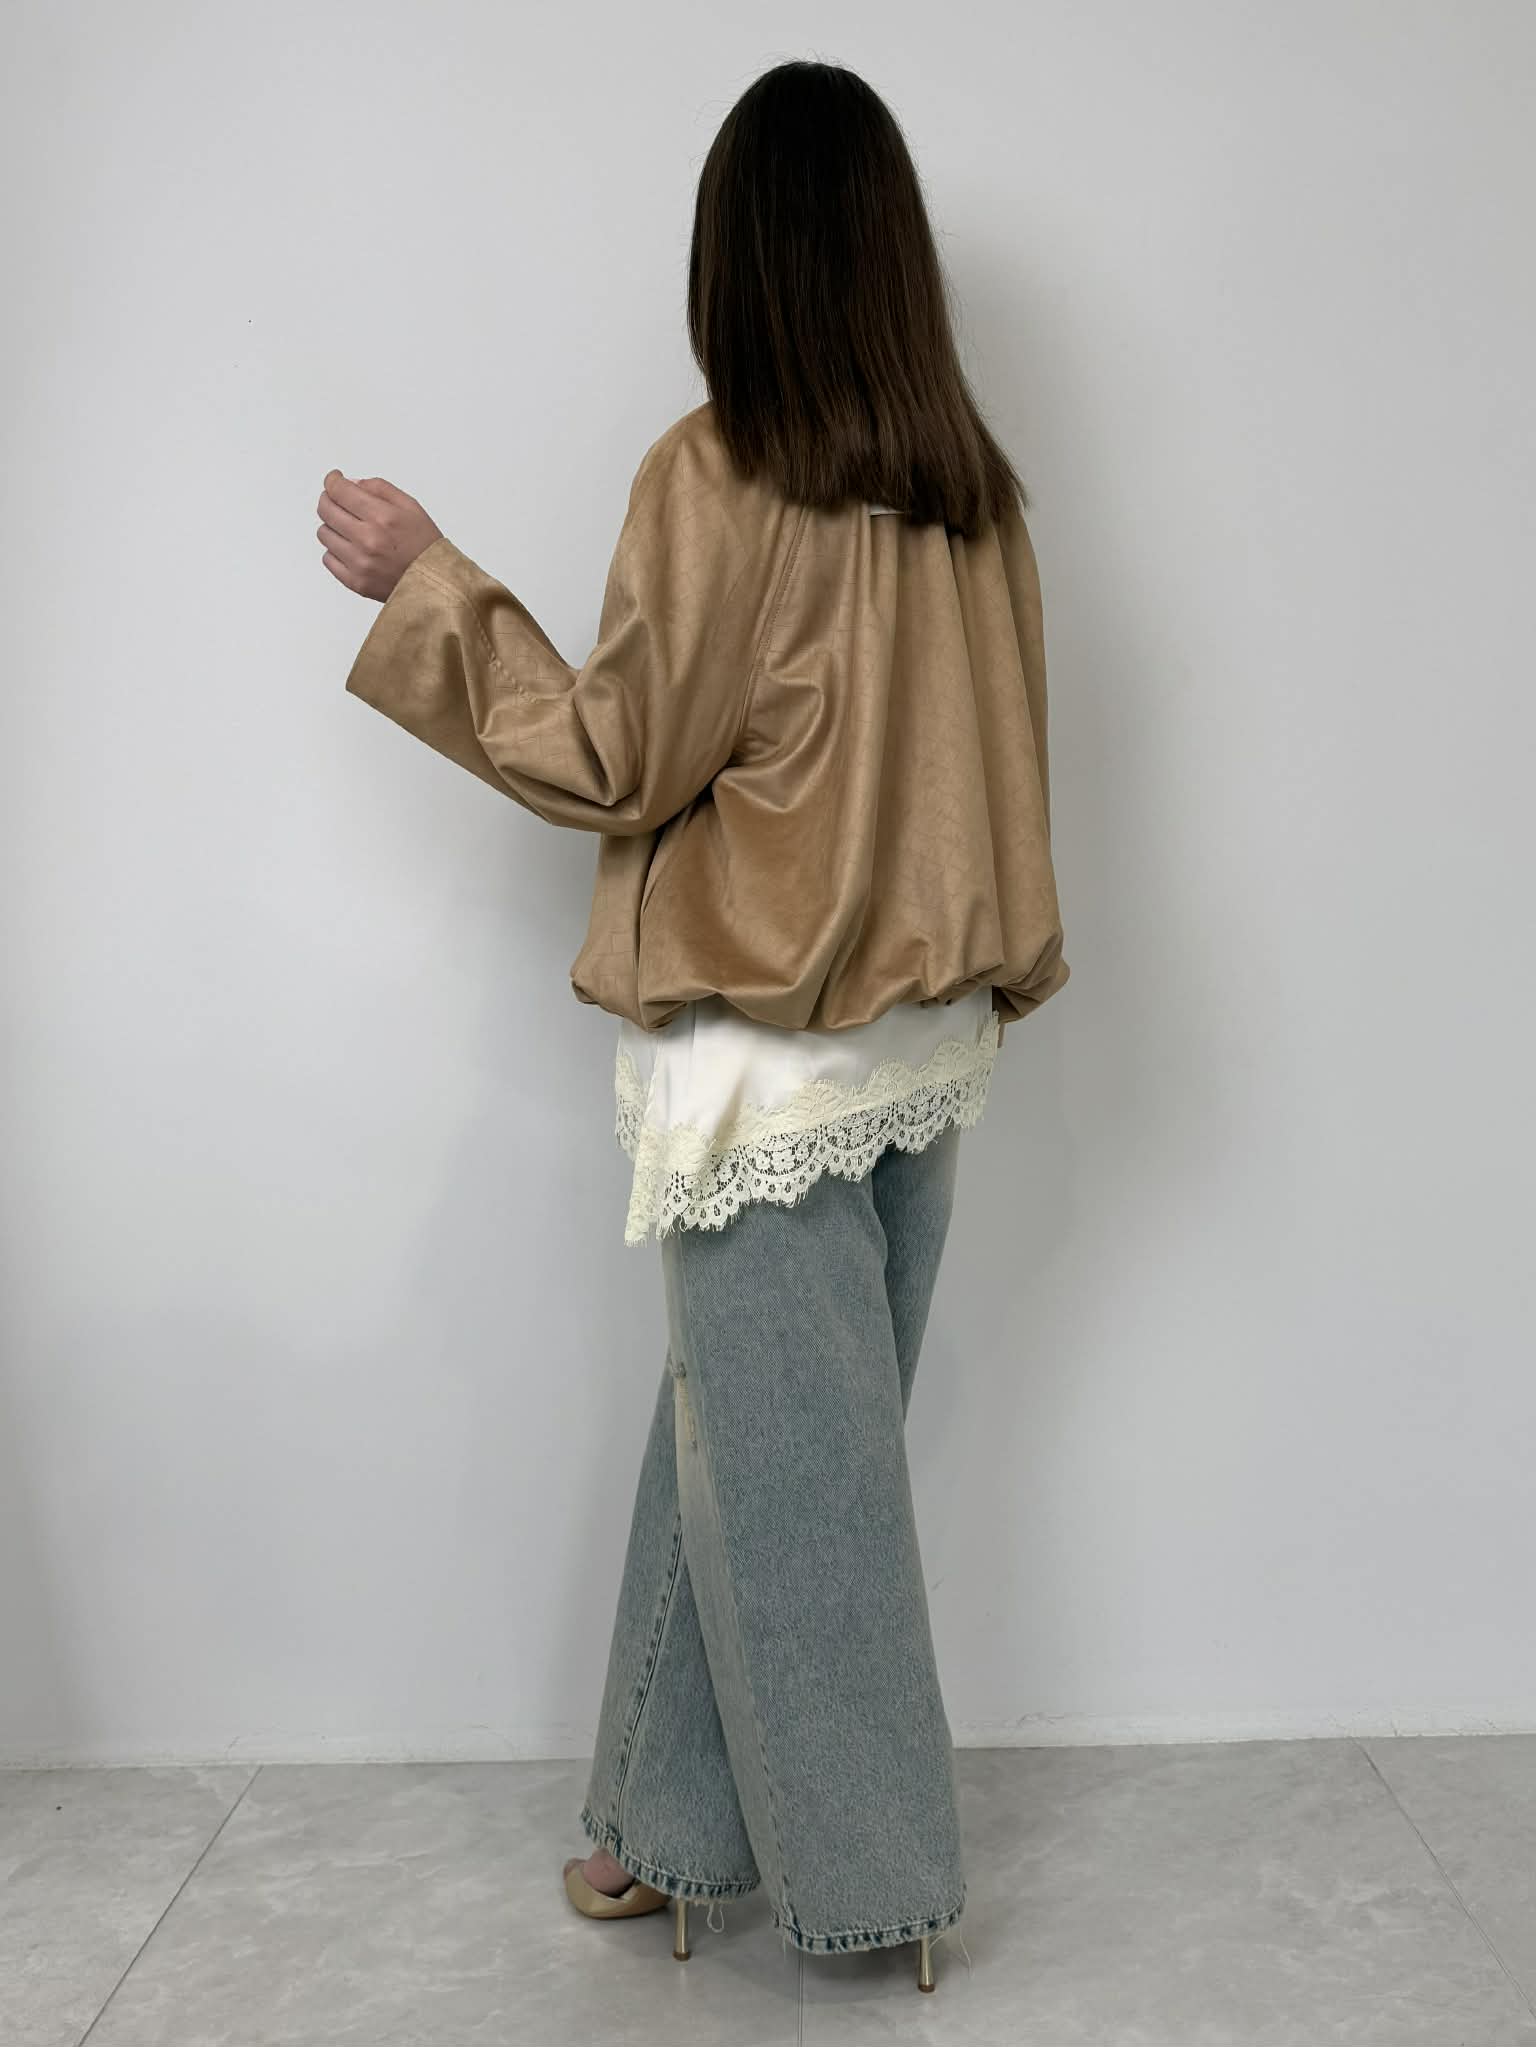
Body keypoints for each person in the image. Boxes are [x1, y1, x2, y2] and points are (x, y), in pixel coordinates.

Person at [317, 58, 1068, 1995]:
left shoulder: (720, 472)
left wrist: (430, 587)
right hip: (924, 1048)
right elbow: (1005, 769)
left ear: (734, 252)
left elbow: (614, 759)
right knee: (745, 1438)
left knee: (802, 1486)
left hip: (764, 1060)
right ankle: (657, 1835)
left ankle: (881, 1886)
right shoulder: (971, 494)